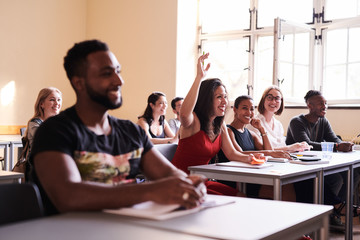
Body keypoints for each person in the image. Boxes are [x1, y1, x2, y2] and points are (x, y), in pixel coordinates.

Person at [27, 39, 205, 216]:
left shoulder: (130, 132)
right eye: (106, 74)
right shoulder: (54, 132)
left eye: (118, 72)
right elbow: (69, 196)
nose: (118, 80)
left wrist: (189, 184)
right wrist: (148, 191)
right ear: (79, 83)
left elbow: (169, 175)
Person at [171, 53, 265, 196]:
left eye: (225, 97)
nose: (224, 101)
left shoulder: (220, 125)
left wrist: (253, 158)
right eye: (219, 97)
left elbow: (232, 154)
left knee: (241, 196)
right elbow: (184, 114)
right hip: (181, 182)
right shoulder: (193, 121)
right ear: (207, 99)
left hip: (200, 181)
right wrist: (199, 78)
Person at [286, 90, 357, 231]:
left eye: (326, 103)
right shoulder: (297, 122)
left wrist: (345, 144)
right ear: (309, 105)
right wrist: (337, 146)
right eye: (320, 104)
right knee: (333, 179)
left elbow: (333, 139)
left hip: (315, 164)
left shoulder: (323, 121)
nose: (325, 106)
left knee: (348, 175)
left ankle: (334, 212)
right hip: (297, 165)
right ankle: (335, 209)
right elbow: (307, 145)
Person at [217, 95, 292, 198]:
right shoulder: (229, 131)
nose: (249, 112)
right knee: (283, 189)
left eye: (252, 109)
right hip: (236, 178)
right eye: (244, 108)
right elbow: (239, 154)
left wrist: (261, 129)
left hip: (252, 175)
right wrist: (270, 153)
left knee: (287, 185)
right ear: (235, 109)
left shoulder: (250, 133)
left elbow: (269, 150)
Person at [14, 87, 62, 176]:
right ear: (41, 104)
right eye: (52, 100)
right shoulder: (34, 123)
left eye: (59, 100)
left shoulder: (59, 123)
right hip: (38, 168)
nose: (57, 103)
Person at [247, 86, 310, 152]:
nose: (273, 102)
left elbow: (283, 148)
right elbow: (262, 150)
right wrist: (290, 147)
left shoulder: (278, 124)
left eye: (277, 98)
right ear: (263, 100)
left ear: (281, 102)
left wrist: (299, 146)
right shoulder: (254, 123)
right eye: (269, 97)